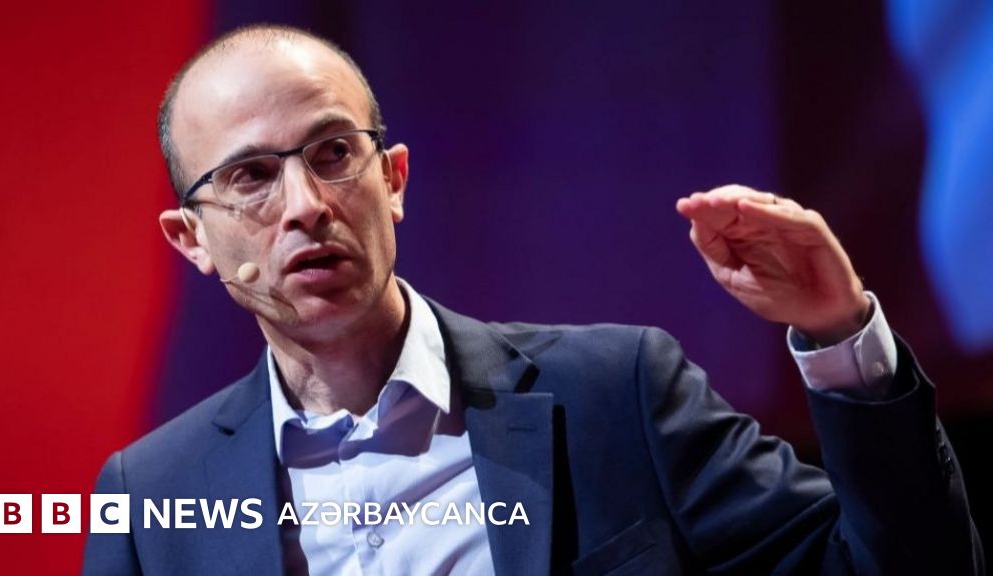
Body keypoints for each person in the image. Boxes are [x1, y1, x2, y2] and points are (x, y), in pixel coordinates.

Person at [83, 24, 983, 575]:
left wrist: (840, 337)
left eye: (332, 154)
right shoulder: (153, 493)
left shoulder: (615, 395)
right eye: (250, 175)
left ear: (392, 181)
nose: (307, 205)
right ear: (191, 239)